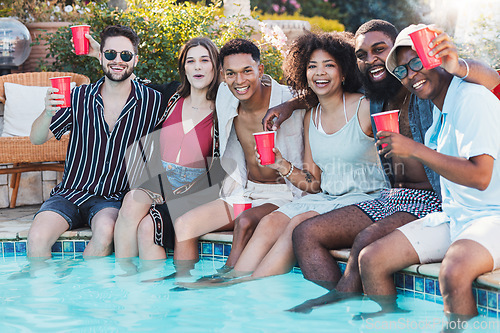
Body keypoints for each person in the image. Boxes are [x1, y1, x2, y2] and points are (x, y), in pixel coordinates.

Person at [261, 20, 500, 312]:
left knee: (367, 241)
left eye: (379, 50)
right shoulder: (378, 90)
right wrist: (290, 106)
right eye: (362, 55)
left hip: (434, 200)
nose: (371, 59)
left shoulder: (430, 89)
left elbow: (489, 81)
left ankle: (340, 302)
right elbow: (325, 86)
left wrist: (457, 65)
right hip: (392, 197)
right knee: (306, 233)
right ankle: (342, 305)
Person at [179, 31, 389, 288]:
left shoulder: (366, 107)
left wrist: (288, 106)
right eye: (312, 67)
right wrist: (281, 164)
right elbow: (314, 183)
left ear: (344, 71)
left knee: (292, 225)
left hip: (361, 198)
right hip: (319, 197)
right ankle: (235, 284)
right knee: (270, 223)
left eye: (329, 66)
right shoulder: (312, 117)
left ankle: (243, 284)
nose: (320, 73)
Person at [357, 24, 500, 326]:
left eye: (417, 62)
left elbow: (481, 177)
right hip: (456, 216)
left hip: (493, 216)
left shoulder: (471, 99)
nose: (411, 75)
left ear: (438, 58)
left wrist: (416, 150)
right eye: (402, 71)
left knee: (453, 271)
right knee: (371, 259)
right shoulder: (438, 110)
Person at [167, 38, 305, 277]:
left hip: (286, 193)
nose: (239, 81)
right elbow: (193, 80)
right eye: (231, 73)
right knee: (184, 225)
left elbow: (323, 93)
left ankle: (225, 278)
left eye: (247, 71)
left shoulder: (286, 96)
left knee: (245, 222)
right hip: (246, 191)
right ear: (222, 75)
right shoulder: (224, 95)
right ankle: (183, 288)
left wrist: (291, 105)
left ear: (260, 70)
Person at [28, 25, 168, 258]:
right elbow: (36, 138)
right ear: (100, 56)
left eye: (125, 55)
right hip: (69, 193)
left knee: (104, 234)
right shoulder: (79, 96)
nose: (118, 60)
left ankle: (82, 291)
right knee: (37, 237)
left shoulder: (152, 102)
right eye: (110, 54)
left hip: (112, 198)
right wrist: (47, 113)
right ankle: (44, 292)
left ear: (135, 59)